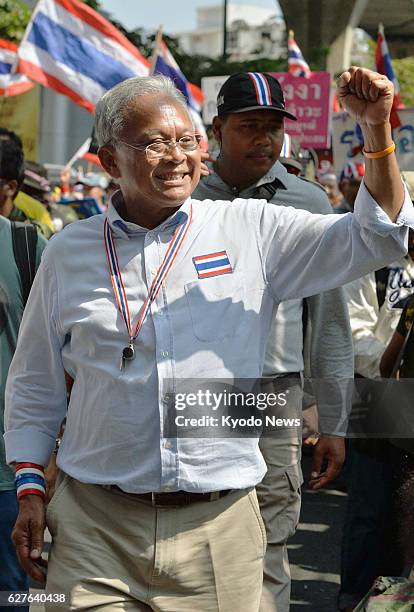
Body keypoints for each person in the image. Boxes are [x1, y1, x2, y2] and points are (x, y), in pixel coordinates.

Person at [4, 68, 414, 612]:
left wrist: (377, 133)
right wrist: (30, 486)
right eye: (154, 142)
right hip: (93, 530)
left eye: (184, 140)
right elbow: (35, 384)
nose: (175, 155)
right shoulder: (68, 252)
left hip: (219, 528)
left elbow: (378, 236)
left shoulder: (254, 228)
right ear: (109, 162)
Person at [192, 71, 353, 611]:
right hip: (193, 392)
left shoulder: (307, 203)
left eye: (273, 128)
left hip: (272, 398)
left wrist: (331, 418)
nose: (264, 139)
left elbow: (329, 320)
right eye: (249, 126)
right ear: (218, 129)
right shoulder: (182, 196)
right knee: (192, 541)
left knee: (268, 540)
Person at [339, 228, 414, 611]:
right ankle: (356, 596)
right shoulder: (373, 264)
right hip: (376, 391)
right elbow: (356, 337)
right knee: (371, 507)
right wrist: (396, 368)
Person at [0, 140, 47, 611]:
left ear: (8, 189)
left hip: (7, 467)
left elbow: (64, 357)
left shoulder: (28, 246)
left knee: (11, 589)